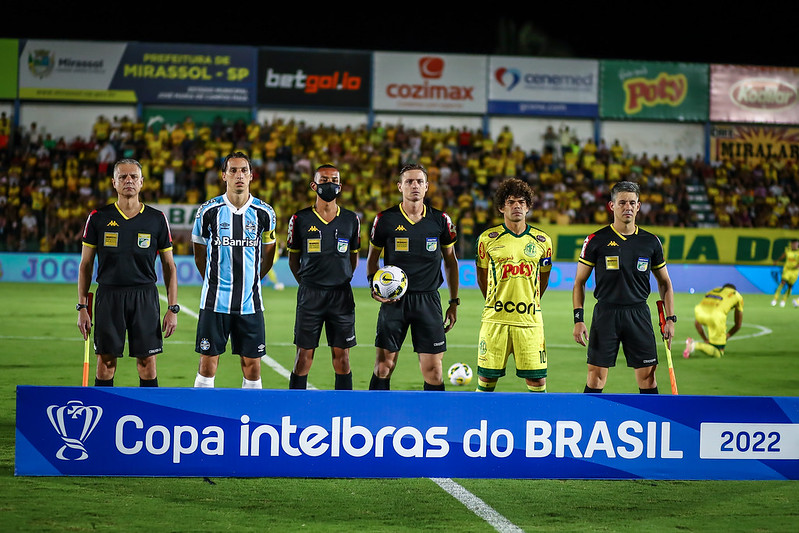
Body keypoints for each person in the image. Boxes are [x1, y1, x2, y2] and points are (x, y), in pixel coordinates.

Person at [77, 158, 178, 387]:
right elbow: (85, 265)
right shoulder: (98, 218)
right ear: (114, 182)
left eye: (134, 176)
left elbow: (169, 266)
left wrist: (172, 308)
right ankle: (101, 417)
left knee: (147, 363)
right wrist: (82, 307)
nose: (129, 180)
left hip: (144, 296)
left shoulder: (156, 219)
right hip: (108, 296)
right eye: (123, 176)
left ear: (142, 183)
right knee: (105, 363)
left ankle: (149, 419)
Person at [572, 180, 676, 394]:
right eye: (622, 203)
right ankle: (588, 422)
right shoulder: (595, 240)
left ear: (638, 206)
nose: (627, 207)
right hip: (606, 313)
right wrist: (578, 319)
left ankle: (652, 424)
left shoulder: (651, 241)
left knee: (648, 378)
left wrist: (670, 318)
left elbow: (665, 282)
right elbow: (579, 282)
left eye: (632, 203)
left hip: (638, 312)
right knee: (595, 378)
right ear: (612, 206)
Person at [366, 163, 459, 391]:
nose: (414, 185)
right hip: (394, 301)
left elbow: (451, 262)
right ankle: (374, 420)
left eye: (419, 181)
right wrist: (374, 287)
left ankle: (435, 422)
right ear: (400, 186)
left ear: (427, 187)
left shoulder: (440, 220)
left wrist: (454, 302)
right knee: (383, 367)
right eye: (409, 181)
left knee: (434, 372)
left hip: (428, 301)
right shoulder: (384, 219)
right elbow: (371, 259)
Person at [192, 151, 277, 389]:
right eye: (233, 170)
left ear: (251, 176)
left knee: (253, 365)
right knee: (207, 363)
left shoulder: (265, 213)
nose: (239, 175)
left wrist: (252, 281)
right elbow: (199, 253)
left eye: (244, 171)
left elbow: (269, 255)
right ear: (223, 176)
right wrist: (213, 280)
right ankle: (202, 415)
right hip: (214, 301)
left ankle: (249, 419)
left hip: (250, 303)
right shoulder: (208, 211)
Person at [475, 177, 553, 392]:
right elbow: (482, 278)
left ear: (528, 207)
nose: (517, 206)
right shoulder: (487, 239)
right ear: (502, 207)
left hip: (529, 321)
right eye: (511, 202)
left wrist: (531, 299)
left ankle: (537, 424)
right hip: (495, 320)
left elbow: (543, 278)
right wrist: (494, 301)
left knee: (537, 382)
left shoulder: (543, 241)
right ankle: (480, 424)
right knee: (486, 382)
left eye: (521, 202)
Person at [286, 164, 361, 390]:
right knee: (303, 358)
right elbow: (293, 260)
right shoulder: (299, 219)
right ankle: (294, 410)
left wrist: (341, 278)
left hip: (341, 296)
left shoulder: (351, 220)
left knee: (343, 359)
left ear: (340, 186)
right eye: (324, 180)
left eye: (334, 180)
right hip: (310, 295)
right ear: (314, 185)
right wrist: (309, 283)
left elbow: (353, 258)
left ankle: (344, 411)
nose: (330, 184)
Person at [684, 283, 744, 359]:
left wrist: (705, 339)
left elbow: (697, 323)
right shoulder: (737, 295)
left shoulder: (714, 290)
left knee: (711, 343)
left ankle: (699, 344)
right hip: (716, 317)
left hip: (699, 311)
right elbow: (738, 324)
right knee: (718, 352)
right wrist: (727, 336)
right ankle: (693, 345)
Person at [771, 238, 799, 307]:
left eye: (796, 244)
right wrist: (777, 261)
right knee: (782, 282)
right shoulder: (788, 250)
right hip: (787, 269)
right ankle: (775, 299)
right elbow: (782, 256)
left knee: (790, 286)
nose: (794, 245)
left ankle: (783, 300)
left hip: (795, 271)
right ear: (791, 244)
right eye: (793, 244)